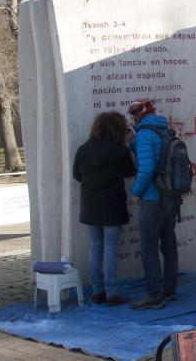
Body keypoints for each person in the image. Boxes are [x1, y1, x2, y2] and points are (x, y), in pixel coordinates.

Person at [73, 111, 136, 306]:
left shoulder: (83, 149)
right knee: (110, 248)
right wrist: (129, 144)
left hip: (91, 203)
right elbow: (131, 172)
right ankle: (112, 292)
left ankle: (97, 291)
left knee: (95, 247)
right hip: (112, 203)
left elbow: (77, 175)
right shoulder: (120, 151)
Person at [127, 98, 180, 310]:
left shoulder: (145, 135)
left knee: (149, 248)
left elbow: (147, 169)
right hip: (170, 196)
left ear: (138, 115)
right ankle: (170, 289)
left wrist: (136, 192)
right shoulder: (165, 130)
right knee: (169, 244)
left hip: (152, 198)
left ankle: (154, 296)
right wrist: (133, 142)